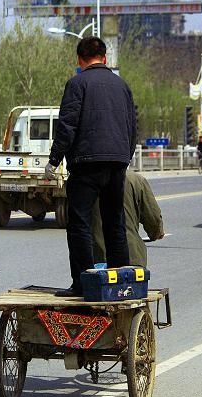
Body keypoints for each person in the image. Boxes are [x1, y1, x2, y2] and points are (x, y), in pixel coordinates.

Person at [45, 36, 137, 296]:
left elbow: (67, 125)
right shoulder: (122, 86)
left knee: (80, 224)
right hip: (117, 164)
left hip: (86, 164)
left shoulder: (77, 84)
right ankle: (120, 283)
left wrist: (54, 160)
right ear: (105, 58)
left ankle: (83, 284)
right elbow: (132, 128)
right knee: (114, 222)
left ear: (79, 60)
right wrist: (123, 157)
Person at [92, 170, 165, 268]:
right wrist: (156, 233)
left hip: (96, 259)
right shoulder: (135, 180)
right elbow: (153, 217)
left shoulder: (84, 180)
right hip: (131, 257)